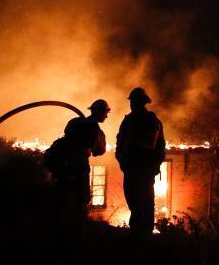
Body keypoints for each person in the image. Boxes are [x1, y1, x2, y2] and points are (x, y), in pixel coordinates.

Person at [46, 99, 110, 227]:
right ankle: (74, 230)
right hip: (78, 166)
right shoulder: (96, 131)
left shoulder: (75, 122)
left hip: (64, 165)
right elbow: (98, 151)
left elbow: (67, 134)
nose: (106, 116)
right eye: (105, 112)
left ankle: (58, 227)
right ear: (100, 112)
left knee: (63, 197)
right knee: (80, 199)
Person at [115, 87, 166, 237]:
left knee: (144, 199)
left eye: (134, 101)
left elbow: (151, 144)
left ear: (141, 102)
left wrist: (149, 164)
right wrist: (121, 158)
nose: (132, 104)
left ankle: (143, 233)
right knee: (133, 198)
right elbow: (120, 141)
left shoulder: (151, 119)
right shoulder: (128, 120)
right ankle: (138, 231)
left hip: (144, 168)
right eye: (132, 101)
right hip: (131, 167)